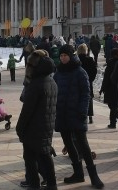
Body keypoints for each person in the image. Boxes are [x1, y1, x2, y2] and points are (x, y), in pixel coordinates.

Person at [54, 44, 103, 189]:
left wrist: (83, 111)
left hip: (76, 114)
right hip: (62, 114)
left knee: (83, 145)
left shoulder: (80, 72)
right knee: (68, 144)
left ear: (71, 56)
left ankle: (94, 177)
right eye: (61, 55)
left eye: (65, 55)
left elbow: (86, 93)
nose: (63, 58)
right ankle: (78, 173)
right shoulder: (58, 73)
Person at [16, 50, 58, 190]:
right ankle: (52, 185)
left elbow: (27, 110)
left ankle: (34, 185)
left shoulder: (36, 84)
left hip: (34, 127)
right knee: (45, 155)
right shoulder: (51, 81)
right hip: (47, 125)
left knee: (30, 159)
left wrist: (19, 128)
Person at [100, 47, 118, 129]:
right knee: (114, 106)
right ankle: (113, 123)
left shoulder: (110, 64)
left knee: (112, 106)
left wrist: (102, 88)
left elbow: (106, 78)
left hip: (111, 88)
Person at [77, 43, 97, 124]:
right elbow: (94, 71)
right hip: (88, 82)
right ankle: (90, 116)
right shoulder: (90, 60)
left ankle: (80, 115)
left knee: (79, 98)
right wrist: (91, 79)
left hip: (78, 83)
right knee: (89, 99)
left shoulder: (76, 60)